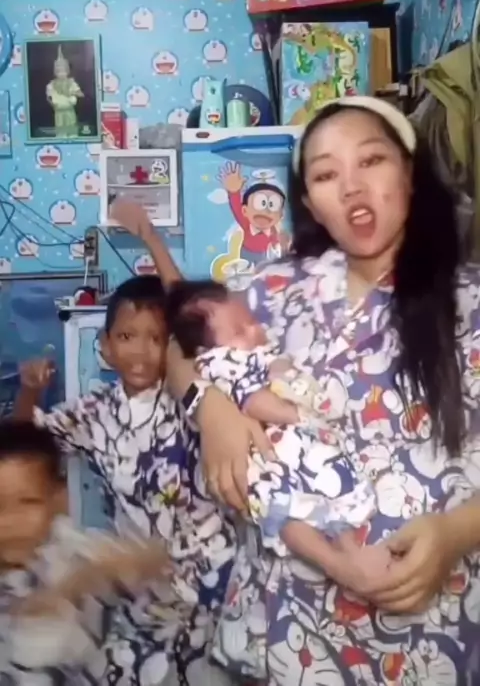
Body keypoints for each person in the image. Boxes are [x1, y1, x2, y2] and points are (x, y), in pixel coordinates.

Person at [162, 95, 480, 684]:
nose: (352, 186)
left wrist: (455, 534)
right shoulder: (275, 288)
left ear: (409, 174)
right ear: (311, 204)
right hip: (273, 635)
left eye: (372, 161)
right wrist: (211, 409)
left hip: (421, 641)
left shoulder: (469, 303)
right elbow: (178, 346)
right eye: (327, 175)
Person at [15, 274, 236, 686]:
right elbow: (26, 446)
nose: (140, 351)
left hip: (216, 585)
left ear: (172, 347)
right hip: (142, 588)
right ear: (105, 346)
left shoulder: (191, 402)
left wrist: (153, 243)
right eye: (127, 336)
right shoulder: (94, 412)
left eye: (156, 338)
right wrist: (30, 391)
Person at [165, 277, 391, 583]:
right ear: (206, 349)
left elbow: (279, 374)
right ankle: (335, 563)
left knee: (330, 505)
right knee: (288, 515)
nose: (255, 330)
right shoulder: (222, 362)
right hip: (268, 461)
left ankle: (353, 556)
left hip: (293, 452)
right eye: (240, 330)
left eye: (251, 322)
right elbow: (253, 401)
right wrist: (298, 415)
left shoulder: (252, 350)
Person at [0, 419, 172, 684]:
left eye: (28, 502)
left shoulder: (68, 549)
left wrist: (83, 581)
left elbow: (152, 559)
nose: (10, 521)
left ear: (58, 500)